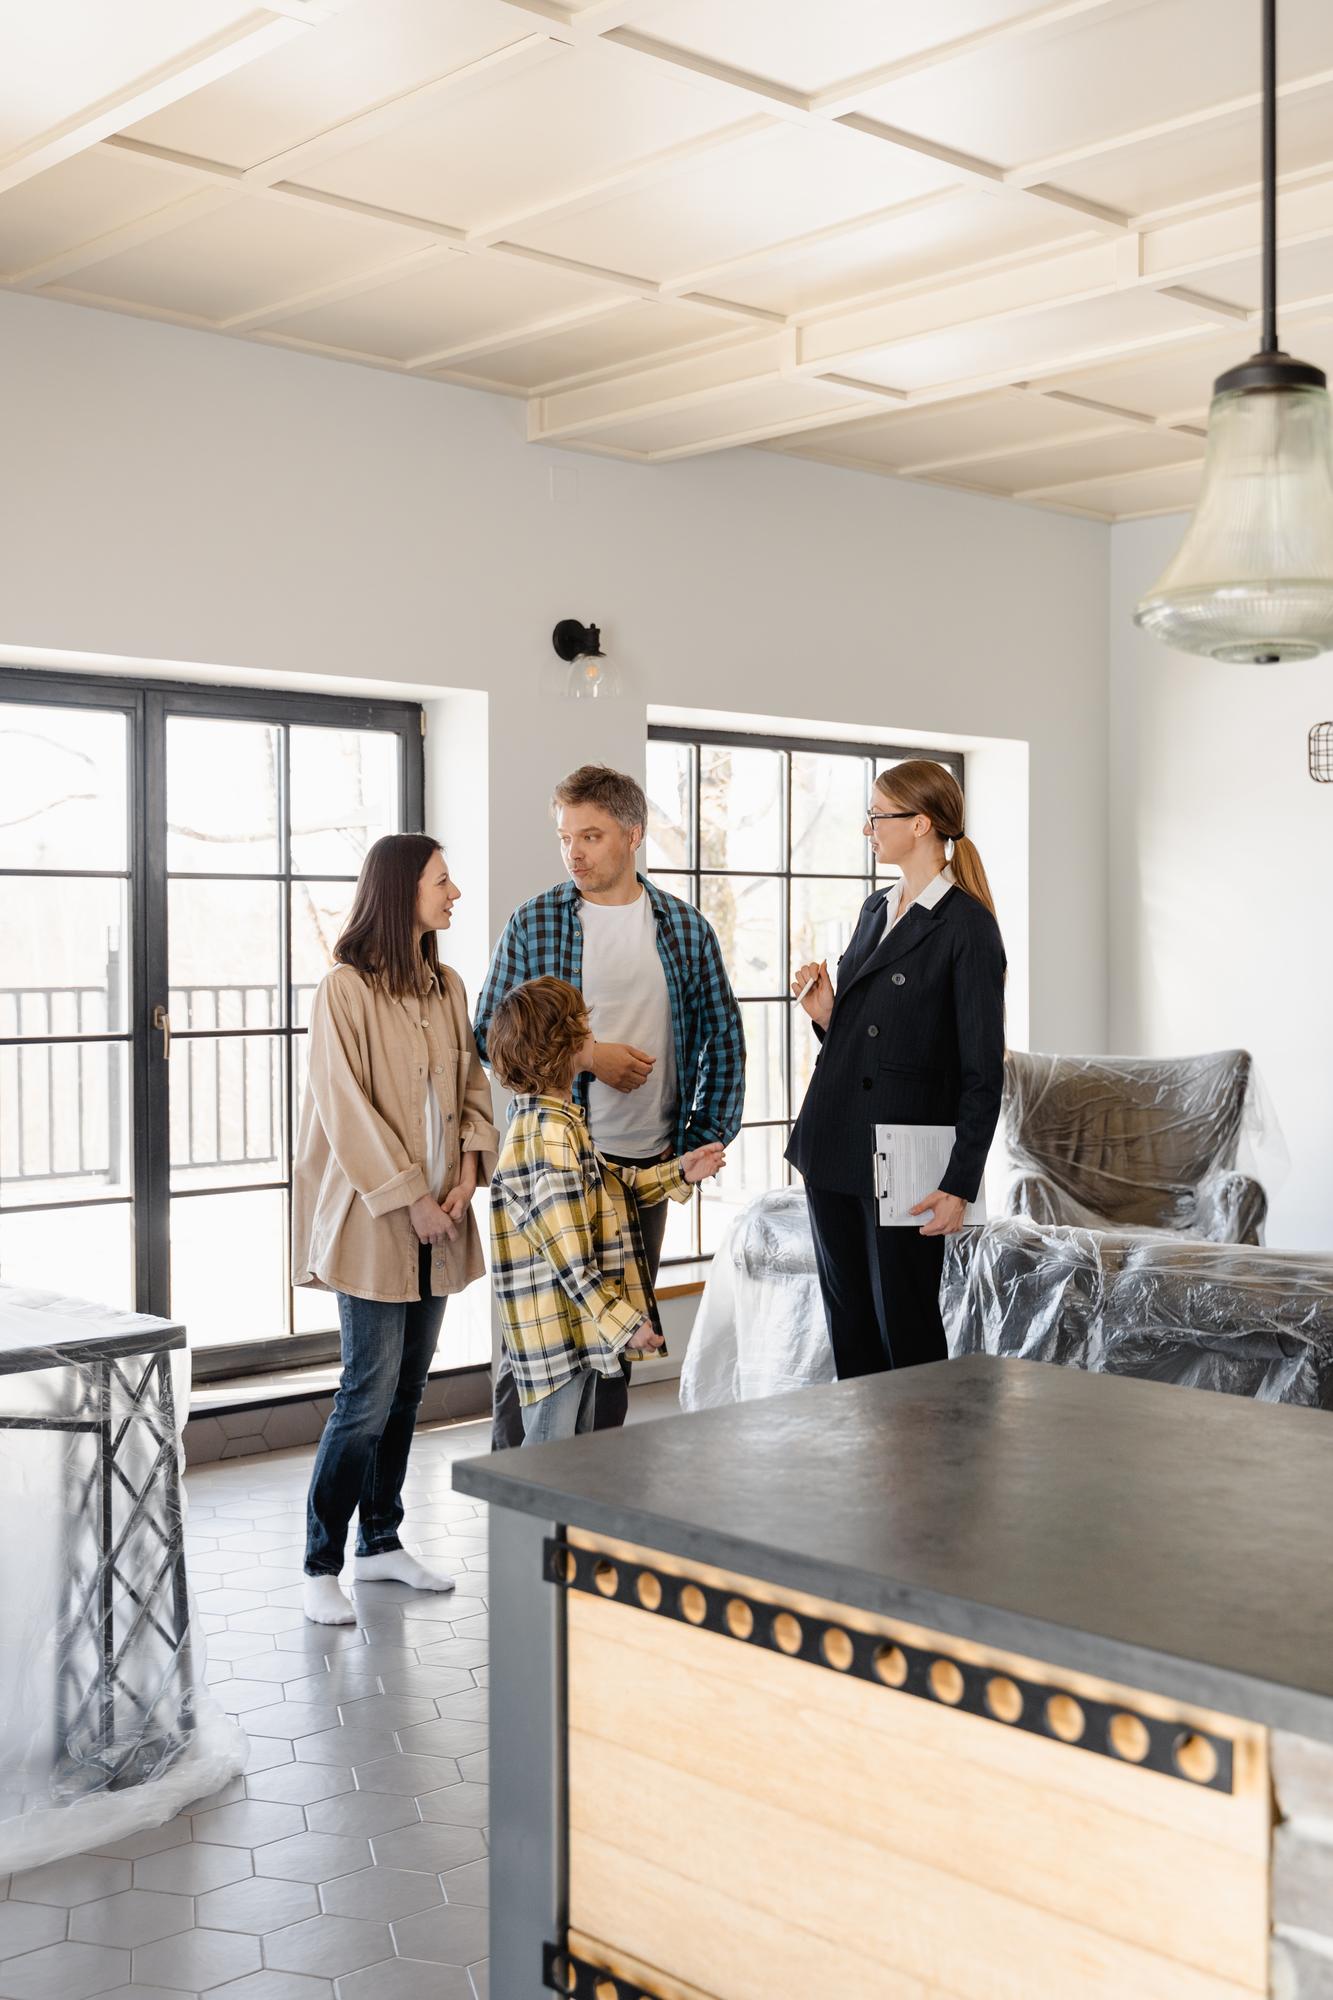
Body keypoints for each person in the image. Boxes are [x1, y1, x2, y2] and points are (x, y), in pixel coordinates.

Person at [474, 764, 744, 1443]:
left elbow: (724, 1038)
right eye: (566, 837)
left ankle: (597, 1495)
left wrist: (699, 1139)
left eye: (590, 836)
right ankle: (518, 1501)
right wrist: (592, 1057)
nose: (575, 853)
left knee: (615, 1344)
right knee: (532, 1349)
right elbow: (488, 1032)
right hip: (559, 1157)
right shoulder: (534, 922)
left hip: (644, 1167)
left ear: (633, 834)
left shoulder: (684, 931)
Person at [293, 834, 499, 1625]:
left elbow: (472, 1086)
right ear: (399, 889)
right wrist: (410, 1195)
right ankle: (320, 1561)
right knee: (367, 1392)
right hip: (374, 1220)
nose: (453, 895)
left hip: (443, 1214)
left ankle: (380, 1544)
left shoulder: (447, 984)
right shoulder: (342, 989)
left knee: (409, 1389)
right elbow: (346, 1110)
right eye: (442, 882)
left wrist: (468, 1176)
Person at [786, 760, 1005, 1378]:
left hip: (905, 1157)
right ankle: (868, 1465)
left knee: (905, 1330)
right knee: (849, 1324)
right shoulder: (876, 907)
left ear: (921, 823)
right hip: (833, 1142)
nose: (867, 829)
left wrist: (960, 1183)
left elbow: (983, 1072)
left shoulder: (968, 927)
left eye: (878, 816)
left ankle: (926, 1470)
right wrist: (826, 1013)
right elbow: (867, 1040)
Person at [486, 977, 725, 1443]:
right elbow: (572, 1261)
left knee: (571, 1461)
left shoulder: (552, 1122)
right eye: (582, 1021)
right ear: (567, 1042)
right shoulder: (548, 1139)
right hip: (558, 1343)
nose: (590, 1029)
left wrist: (680, 1172)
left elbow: (612, 1185)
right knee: (551, 1468)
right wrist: (625, 1324)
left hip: (574, 1335)